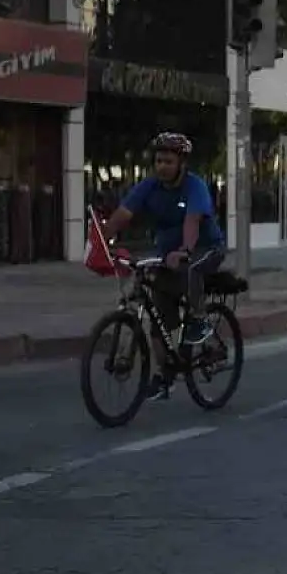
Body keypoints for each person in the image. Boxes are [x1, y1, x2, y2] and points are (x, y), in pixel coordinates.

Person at [98, 131, 227, 399]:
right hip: (166, 253)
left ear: (181, 163)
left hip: (204, 248)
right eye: (158, 161)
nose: (162, 167)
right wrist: (102, 240)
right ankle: (164, 375)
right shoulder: (149, 186)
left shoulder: (195, 186)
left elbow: (193, 221)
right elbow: (124, 214)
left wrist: (185, 250)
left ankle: (201, 322)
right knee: (158, 313)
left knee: (190, 269)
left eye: (168, 161)